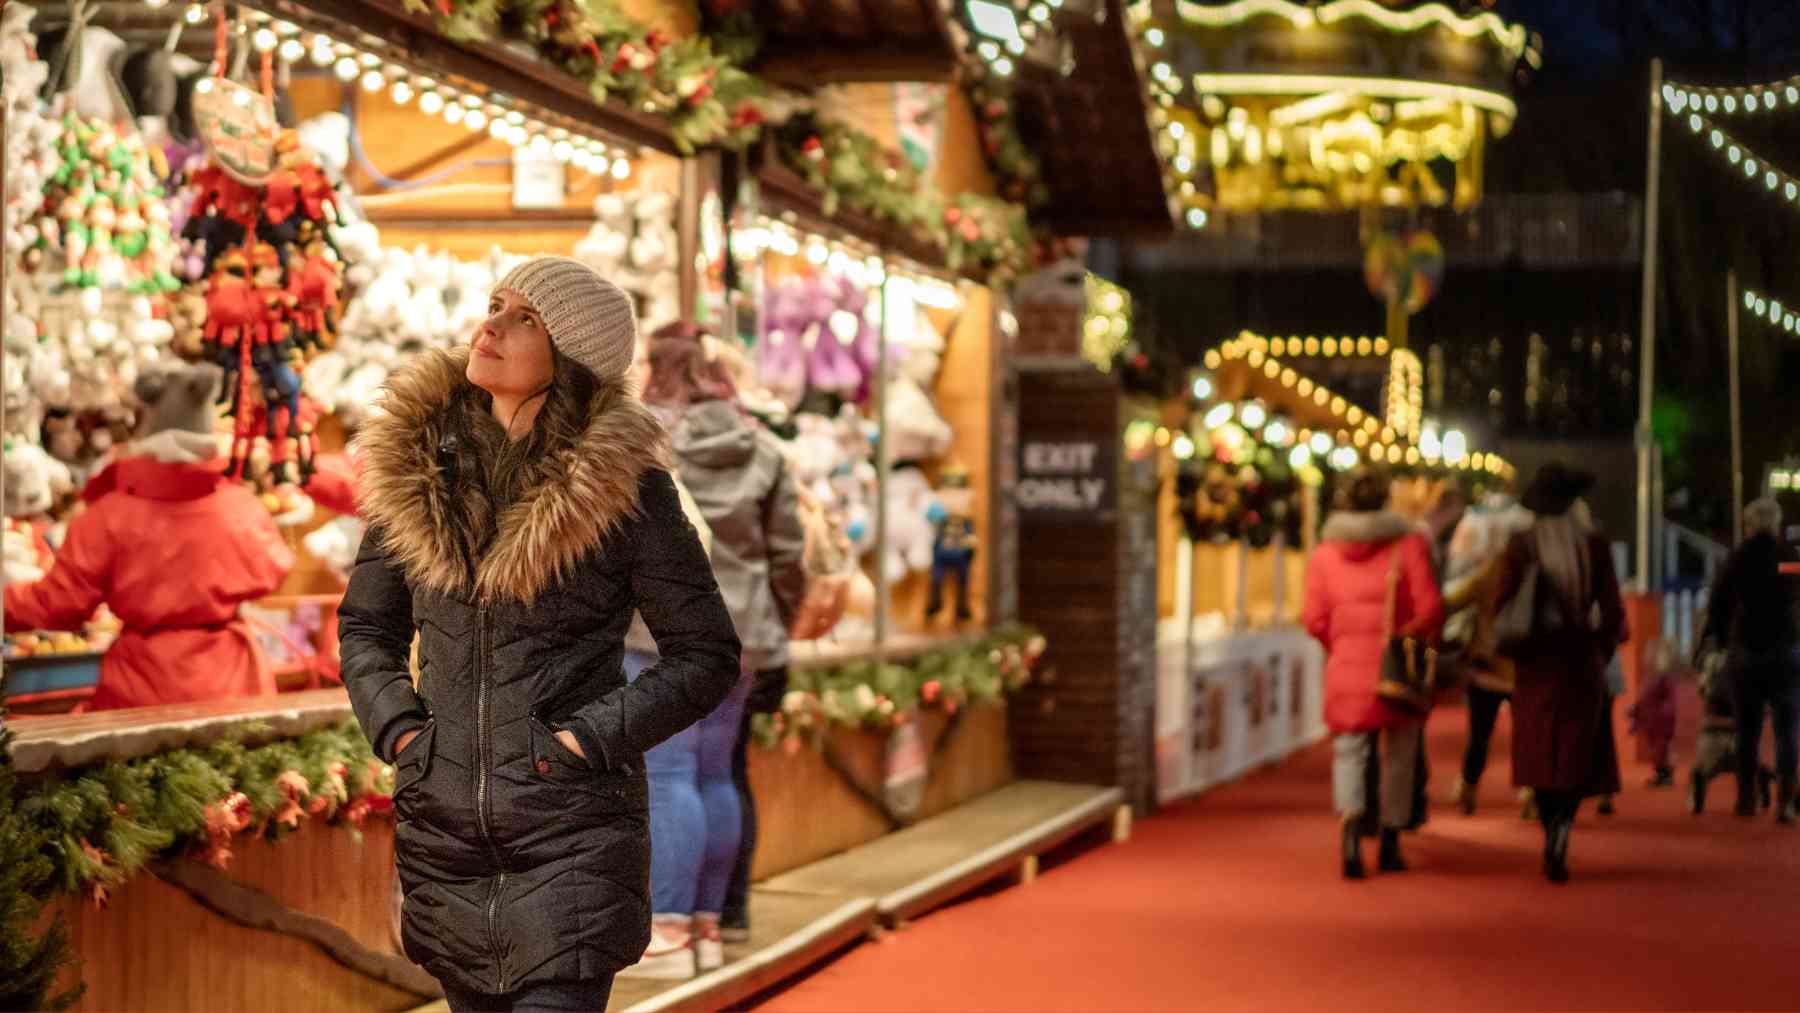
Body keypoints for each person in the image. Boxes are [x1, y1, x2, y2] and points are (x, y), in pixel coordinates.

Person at [338, 256, 742, 1012]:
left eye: (525, 317)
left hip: (574, 838)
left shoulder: (622, 488)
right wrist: (400, 730)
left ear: (572, 357)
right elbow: (367, 624)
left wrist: (586, 740)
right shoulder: (418, 473)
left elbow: (706, 653)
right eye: (495, 304)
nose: (492, 324)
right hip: (447, 842)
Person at [620, 322, 807, 977]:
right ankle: (706, 926)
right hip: (744, 635)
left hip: (660, 632)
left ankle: (667, 933)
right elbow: (788, 556)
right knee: (714, 772)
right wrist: (774, 623)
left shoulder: (643, 442)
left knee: (667, 775)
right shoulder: (764, 447)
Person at [5, 362, 294, 709]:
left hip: (143, 689)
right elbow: (276, 569)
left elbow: (58, 605)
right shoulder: (243, 508)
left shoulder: (108, 517)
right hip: (237, 686)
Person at [1302, 466, 1443, 879]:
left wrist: (1340, 644)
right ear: (1384, 502)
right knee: (1399, 755)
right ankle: (1390, 841)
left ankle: (1350, 830)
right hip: (1395, 668)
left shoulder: (1324, 554)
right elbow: (1431, 607)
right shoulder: (1408, 545)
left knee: (1350, 753)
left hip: (1346, 666)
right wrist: (1407, 637)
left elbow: (1313, 618)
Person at [1494, 462, 1625, 883]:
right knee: (1574, 751)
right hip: (1579, 659)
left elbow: (1501, 603)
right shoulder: (1594, 544)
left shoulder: (1521, 544)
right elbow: (1613, 612)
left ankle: (1549, 827)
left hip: (1534, 662)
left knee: (1537, 750)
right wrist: (1599, 652)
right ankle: (1564, 826)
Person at [1697, 496, 1799, 823]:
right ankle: (1785, 802)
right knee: (1786, 729)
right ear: (1776, 522)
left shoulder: (1737, 558)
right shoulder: (1789, 557)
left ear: (1749, 524)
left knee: (1747, 729)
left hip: (1745, 653)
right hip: (1784, 652)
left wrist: (1720, 640)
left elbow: (1718, 603)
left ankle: (1746, 798)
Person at [1442, 493, 1535, 815]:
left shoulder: (1489, 571)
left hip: (1487, 665)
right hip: (1525, 665)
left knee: (1479, 734)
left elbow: (1456, 599)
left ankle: (1468, 787)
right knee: (1527, 733)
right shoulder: (1535, 573)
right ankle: (1530, 792)